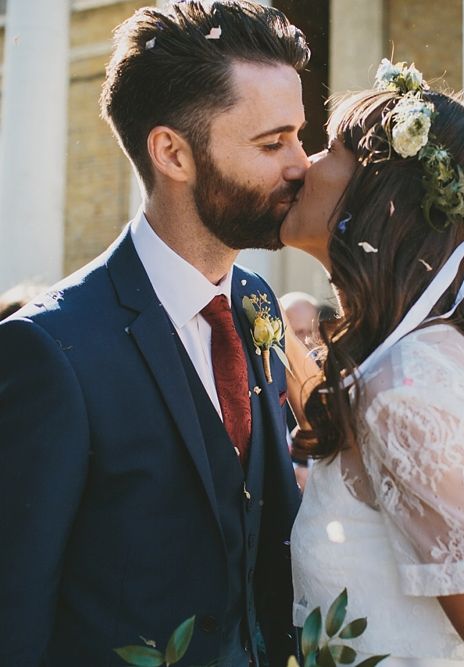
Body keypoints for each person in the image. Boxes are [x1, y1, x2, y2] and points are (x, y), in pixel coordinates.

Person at [0, 3, 309, 665]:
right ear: (172, 152)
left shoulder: (257, 304)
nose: (301, 165)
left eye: (299, 136)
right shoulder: (50, 352)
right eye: (271, 142)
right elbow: (13, 614)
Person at [281, 61, 464, 666]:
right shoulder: (407, 362)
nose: (303, 163)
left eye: (329, 147)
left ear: (381, 194)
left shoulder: (413, 389)